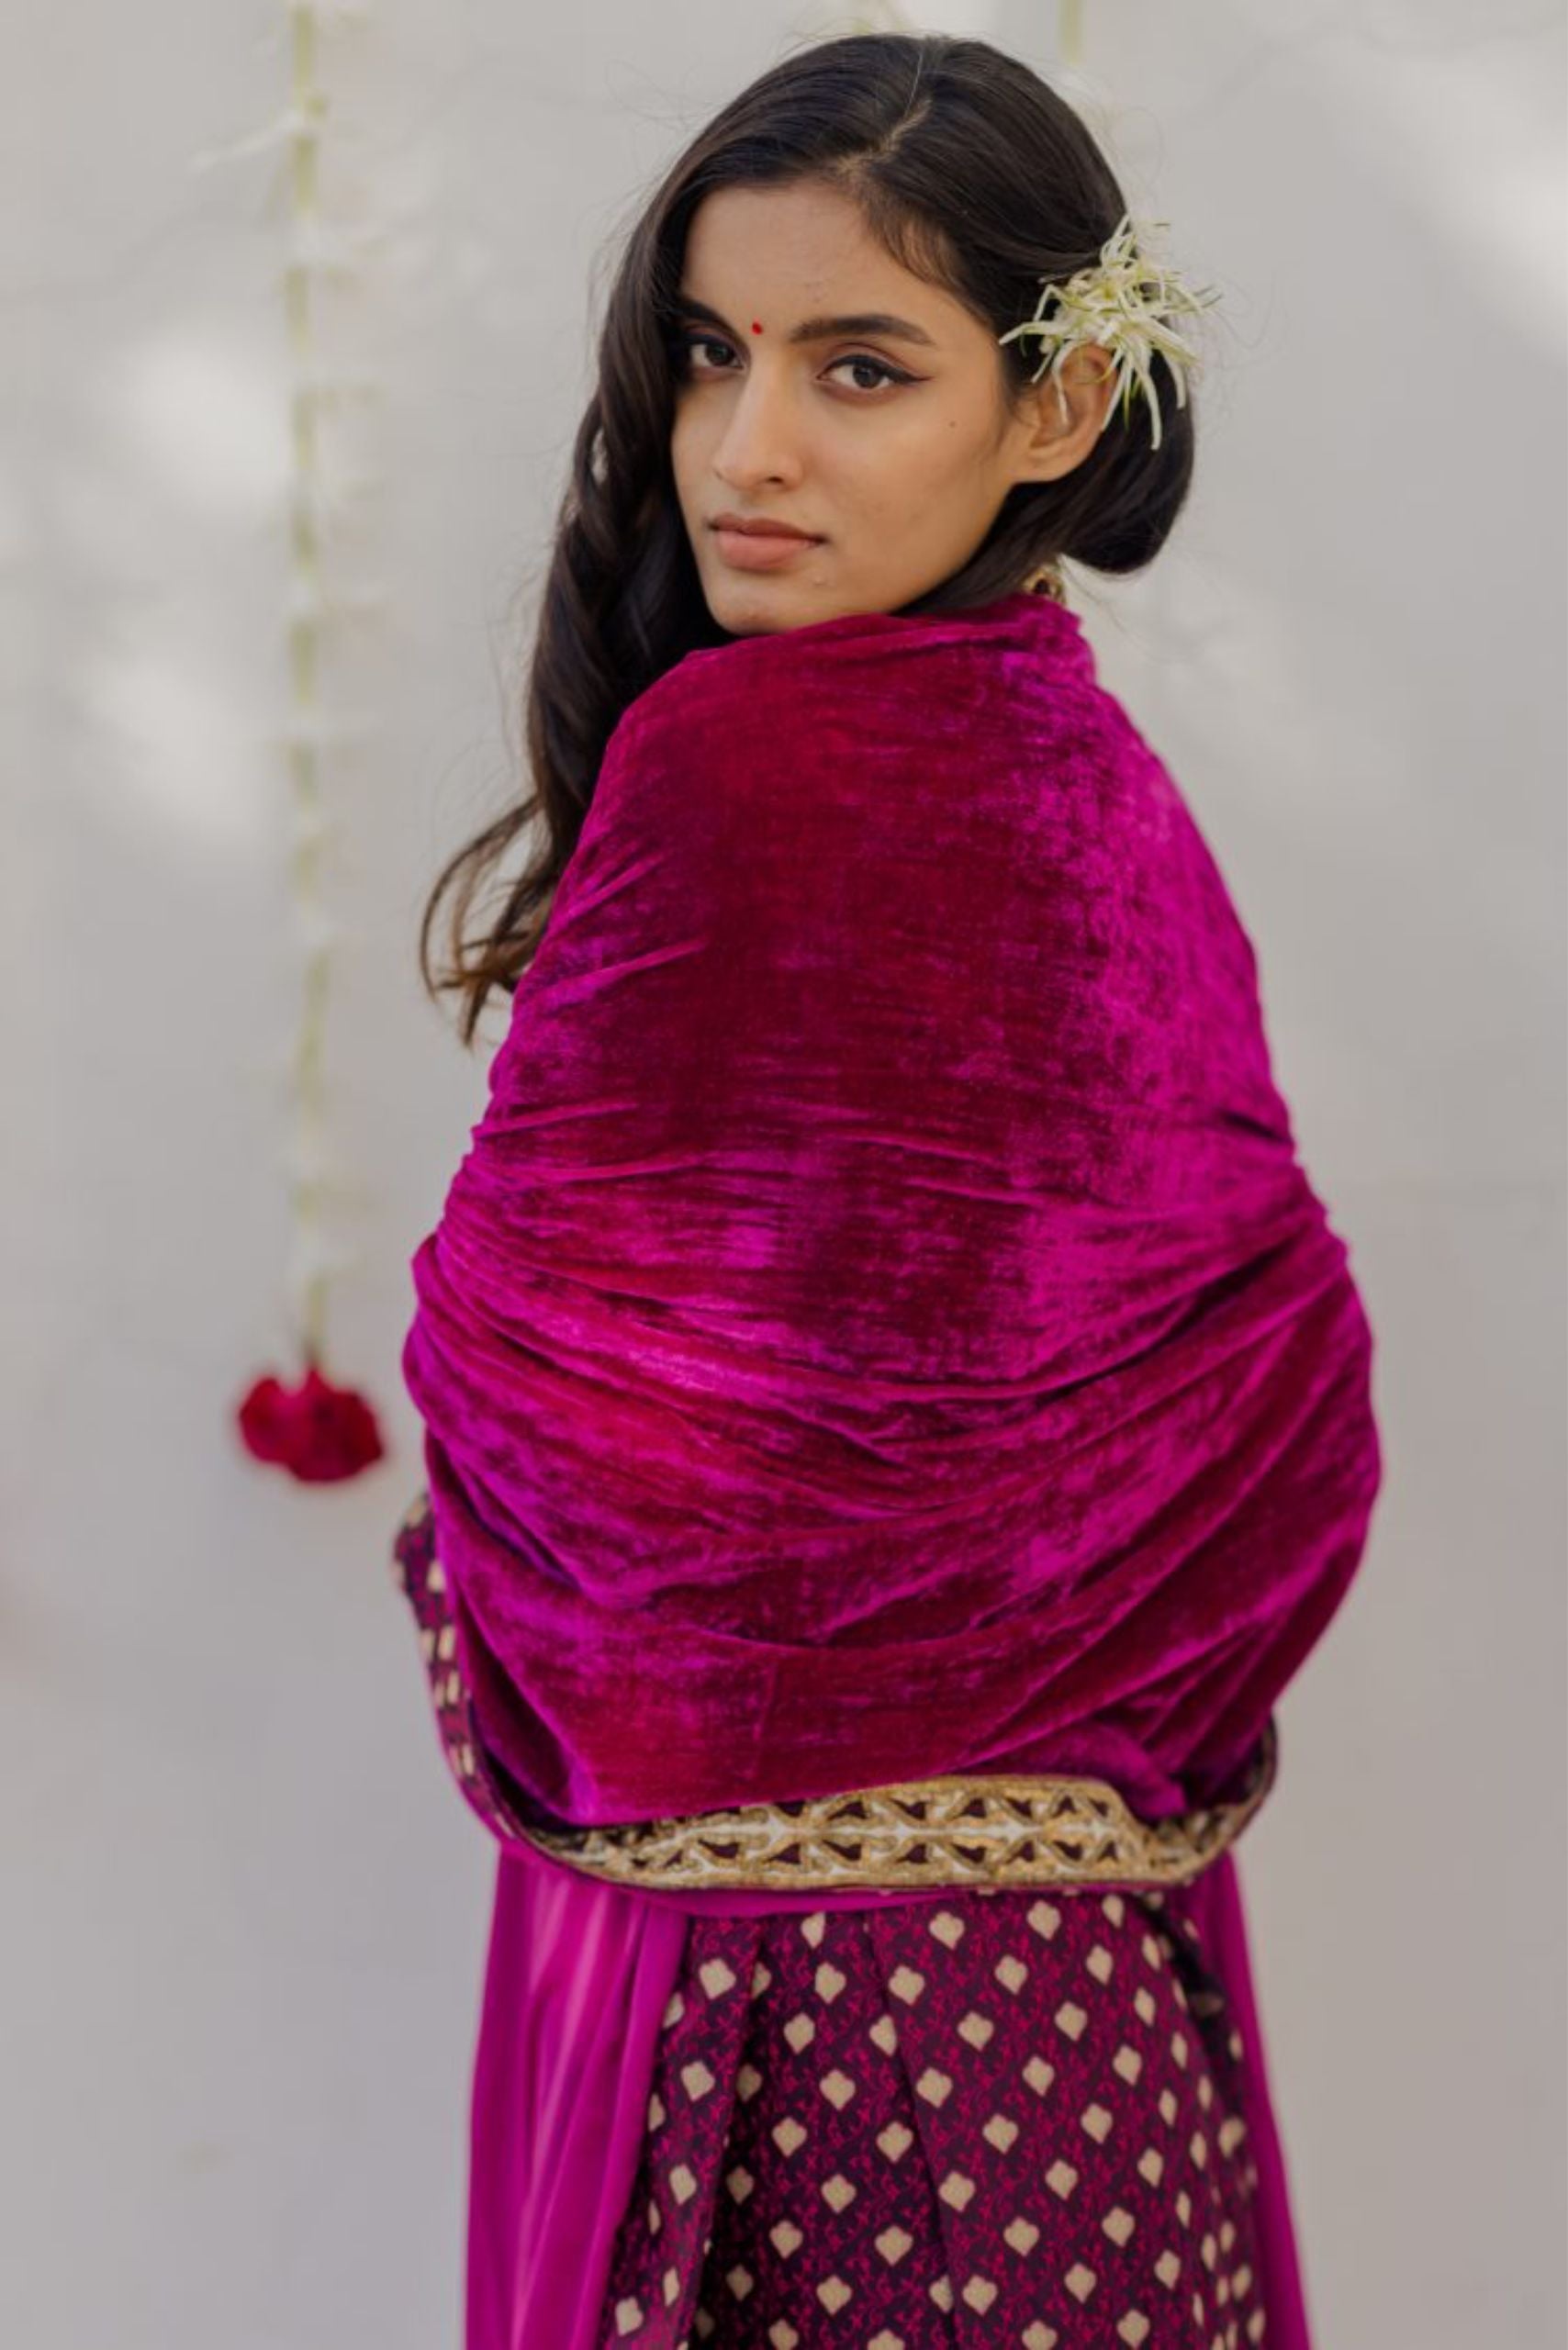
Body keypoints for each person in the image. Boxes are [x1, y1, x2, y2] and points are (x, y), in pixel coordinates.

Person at [395, 31, 1383, 2350]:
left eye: (858, 367)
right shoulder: (1102, 787)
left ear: (1056, 403)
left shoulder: (741, 766)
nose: (744, 447)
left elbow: (542, 1420)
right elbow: (1288, 1419)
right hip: (1092, 2047)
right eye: (706, 353)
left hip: (795, 2050)